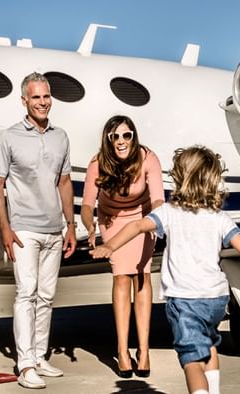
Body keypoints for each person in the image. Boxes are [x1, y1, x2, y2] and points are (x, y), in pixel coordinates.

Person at [90, 146, 240, 394]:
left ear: (180, 179)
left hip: (185, 300)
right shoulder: (219, 217)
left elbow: (137, 227)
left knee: (191, 361)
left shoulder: (169, 213)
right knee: (208, 346)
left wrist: (110, 244)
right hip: (215, 299)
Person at [0, 72, 77, 389]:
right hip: (24, 230)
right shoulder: (10, 137)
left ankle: (40, 356)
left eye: (46, 96)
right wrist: (5, 227)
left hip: (55, 229)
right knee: (26, 294)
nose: (42, 102)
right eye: (36, 97)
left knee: (47, 296)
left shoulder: (60, 136)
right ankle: (25, 363)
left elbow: (64, 183)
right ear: (24, 100)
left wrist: (70, 225)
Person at [81, 115, 164, 378]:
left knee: (142, 276)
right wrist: (90, 225)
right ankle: (122, 348)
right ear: (107, 139)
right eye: (114, 136)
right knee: (121, 277)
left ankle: (144, 349)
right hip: (112, 220)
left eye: (126, 135)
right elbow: (86, 204)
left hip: (142, 217)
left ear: (133, 136)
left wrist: (160, 222)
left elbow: (160, 199)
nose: (120, 141)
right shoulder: (97, 163)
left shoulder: (148, 158)